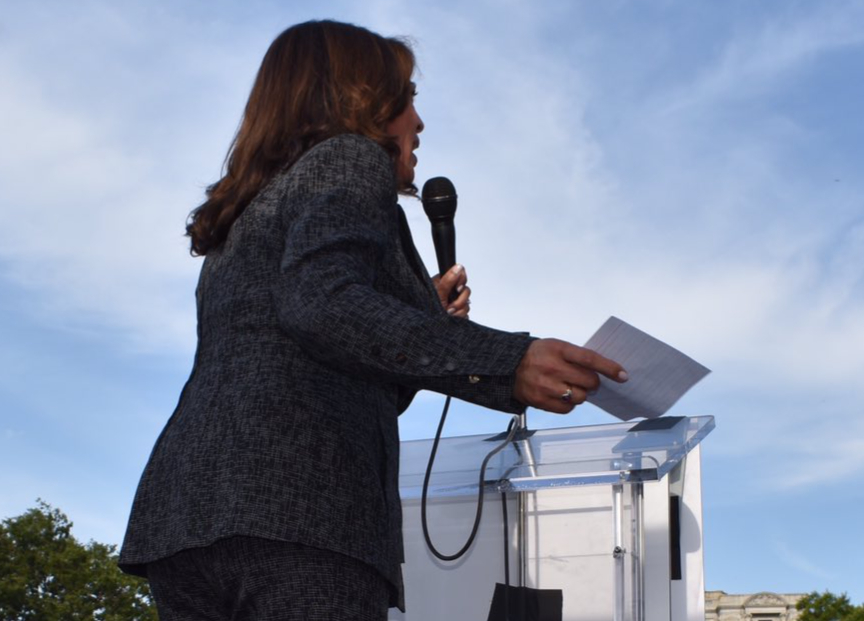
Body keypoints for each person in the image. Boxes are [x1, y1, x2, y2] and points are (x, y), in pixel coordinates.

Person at [118, 20, 627, 621]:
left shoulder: (246, 212)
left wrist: (415, 315)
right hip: (304, 511)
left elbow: (320, 351)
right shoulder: (351, 157)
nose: (419, 121)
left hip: (187, 520)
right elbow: (323, 305)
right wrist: (507, 359)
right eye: (409, 96)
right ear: (362, 99)